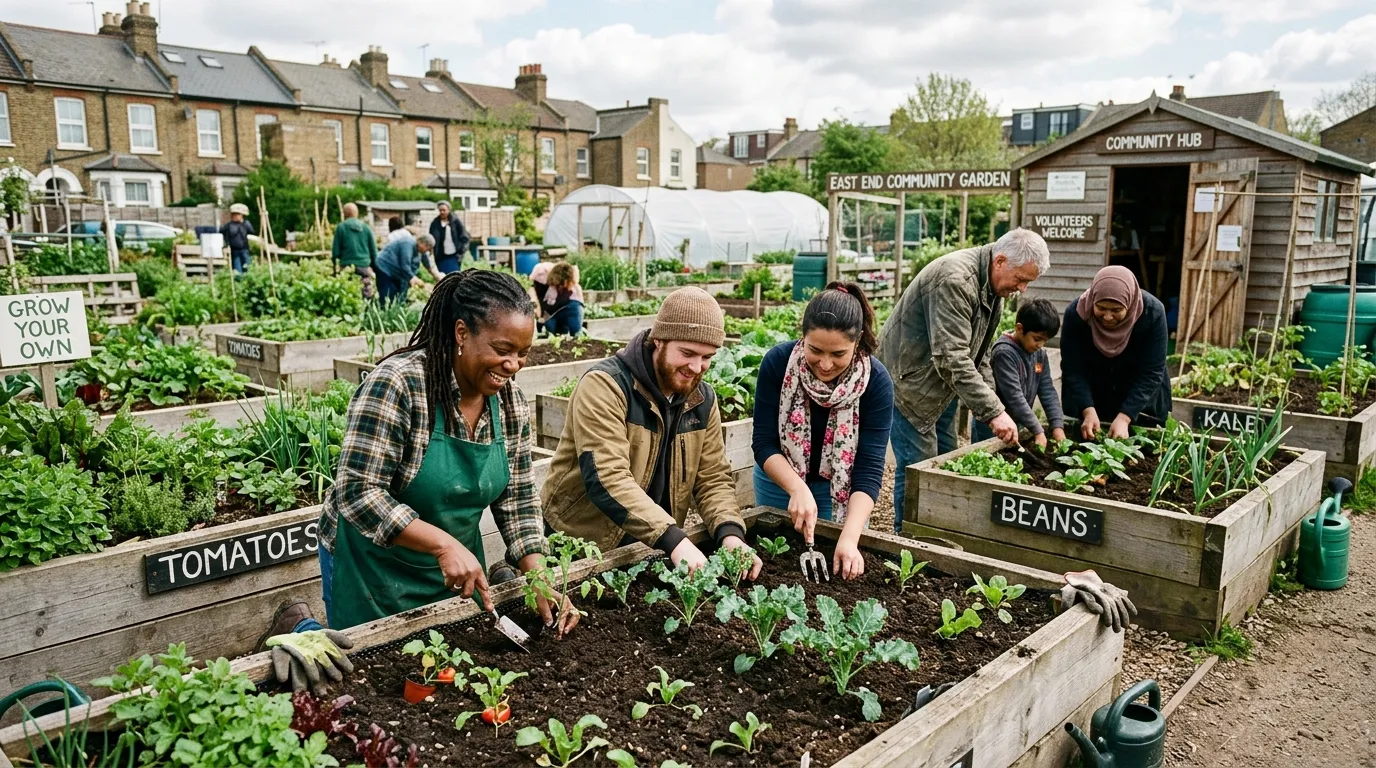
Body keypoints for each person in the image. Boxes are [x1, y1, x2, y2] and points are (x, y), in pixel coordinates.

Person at [542, 287, 760, 578]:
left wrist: (730, 533)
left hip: (652, 544)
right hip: (584, 546)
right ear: (659, 339)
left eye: (707, 356)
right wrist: (674, 539)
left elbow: (712, 477)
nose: (696, 367)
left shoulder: (702, 399)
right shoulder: (606, 386)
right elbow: (607, 477)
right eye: (687, 353)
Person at [877, 228, 1050, 528]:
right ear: (1000, 261)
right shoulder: (955, 280)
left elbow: (979, 354)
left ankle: (941, 528)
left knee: (948, 460)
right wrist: (994, 412)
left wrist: (993, 406)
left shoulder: (993, 287)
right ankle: (905, 537)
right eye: (1021, 279)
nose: (1022, 289)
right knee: (920, 468)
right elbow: (951, 357)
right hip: (907, 383)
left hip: (940, 384)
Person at [752, 282, 892, 580]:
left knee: (839, 561)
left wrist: (850, 538)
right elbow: (763, 442)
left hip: (839, 493)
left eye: (838, 354)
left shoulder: (876, 383)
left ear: (859, 343)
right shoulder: (777, 364)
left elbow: (868, 469)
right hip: (778, 484)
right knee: (775, 564)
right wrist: (797, 488)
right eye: (815, 350)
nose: (825, 364)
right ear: (802, 336)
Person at [1060, 265, 1171, 439]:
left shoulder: (1152, 313)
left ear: (1129, 303)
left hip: (1140, 400)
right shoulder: (1077, 314)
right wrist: (1088, 410)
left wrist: (1125, 417)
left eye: (1116, 310)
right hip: (1093, 397)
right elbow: (1073, 368)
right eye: (1101, 308)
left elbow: (1152, 372)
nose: (1108, 316)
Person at [983, 298, 1067, 449]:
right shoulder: (1004, 353)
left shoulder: (1039, 354)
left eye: (1045, 341)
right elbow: (1015, 397)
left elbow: (1047, 391)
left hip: (1018, 423)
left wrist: (1057, 426)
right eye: (1037, 339)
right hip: (993, 426)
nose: (1040, 345)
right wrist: (1038, 430)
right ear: (1020, 328)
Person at [332, 202, 378, 300]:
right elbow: (374, 252)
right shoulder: (366, 228)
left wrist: (335, 267)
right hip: (364, 266)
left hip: (347, 267)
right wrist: (375, 268)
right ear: (356, 213)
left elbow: (335, 252)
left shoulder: (341, 227)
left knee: (347, 294)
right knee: (366, 296)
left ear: (344, 214)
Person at [375, 232, 437, 304]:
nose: (427, 251)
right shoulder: (408, 244)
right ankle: (382, 310)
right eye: (427, 247)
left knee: (398, 293)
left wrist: (436, 275)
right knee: (388, 293)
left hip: (395, 271)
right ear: (421, 242)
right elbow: (405, 266)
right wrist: (415, 279)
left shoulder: (420, 250)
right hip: (384, 267)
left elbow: (427, 263)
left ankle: (396, 308)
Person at [542, 262, 584, 337]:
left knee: (573, 333)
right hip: (562, 312)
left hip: (567, 311)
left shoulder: (574, 288)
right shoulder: (553, 289)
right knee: (574, 334)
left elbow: (549, 304)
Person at [429, 200, 471, 274]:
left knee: (455, 276)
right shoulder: (435, 223)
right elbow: (431, 239)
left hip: (454, 256)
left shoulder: (456, 222)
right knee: (443, 278)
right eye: (440, 210)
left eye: (444, 210)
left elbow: (465, 238)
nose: (442, 212)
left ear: (448, 210)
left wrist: (461, 253)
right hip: (441, 257)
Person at [221, 203, 255, 274]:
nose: (235, 216)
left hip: (244, 249)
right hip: (234, 251)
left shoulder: (246, 224)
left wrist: (244, 223)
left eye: (237, 214)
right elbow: (222, 233)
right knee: (237, 269)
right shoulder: (229, 225)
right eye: (233, 214)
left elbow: (252, 231)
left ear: (242, 215)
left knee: (247, 267)